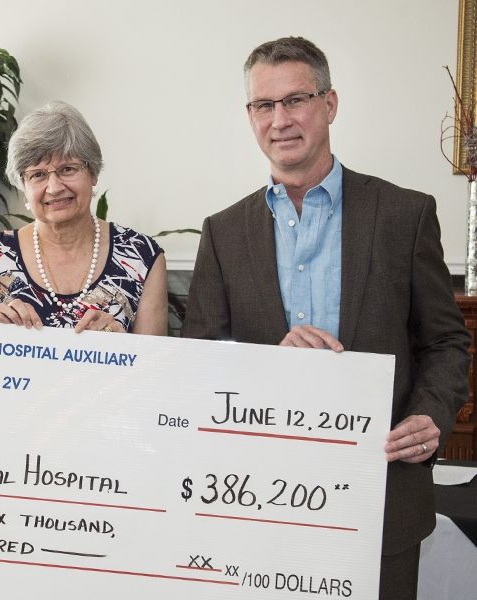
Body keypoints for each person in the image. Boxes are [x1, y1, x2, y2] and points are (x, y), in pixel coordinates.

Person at [182, 36, 470, 599]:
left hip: (382, 501)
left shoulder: (404, 216)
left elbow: (445, 342)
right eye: (264, 106)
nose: (280, 120)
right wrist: (269, 367)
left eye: (297, 100)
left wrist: (431, 416)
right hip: (258, 505)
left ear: (330, 105)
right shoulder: (223, 232)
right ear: (250, 116)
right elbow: (201, 361)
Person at [0, 101, 168, 334]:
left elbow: (154, 367)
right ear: (23, 185)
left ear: (93, 173)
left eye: (68, 169)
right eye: (38, 174)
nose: (54, 187)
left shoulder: (141, 256)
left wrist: (122, 345)